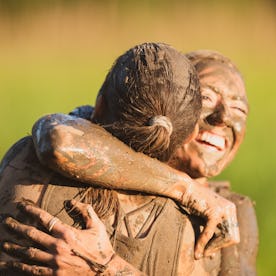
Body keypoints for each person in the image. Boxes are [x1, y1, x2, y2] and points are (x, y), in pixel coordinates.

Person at [0, 49, 257, 275]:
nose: (223, 118)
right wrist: (186, 188)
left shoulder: (233, 219)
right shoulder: (66, 172)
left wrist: (110, 269)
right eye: (207, 99)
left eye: (239, 110)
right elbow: (60, 140)